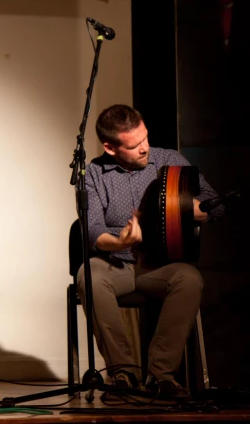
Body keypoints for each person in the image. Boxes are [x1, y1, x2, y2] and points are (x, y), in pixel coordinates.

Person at [77, 104, 224, 401]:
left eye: (145, 138)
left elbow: (215, 204)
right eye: (134, 145)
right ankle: (124, 373)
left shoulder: (170, 160)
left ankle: (161, 375)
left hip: (159, 266)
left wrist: (186, 207)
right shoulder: (93, 173)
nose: (144, 148)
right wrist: (120, 242)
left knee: (189, 278)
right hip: (117, 264)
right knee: (88, 274)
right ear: (111, 147)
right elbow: (92, 229)